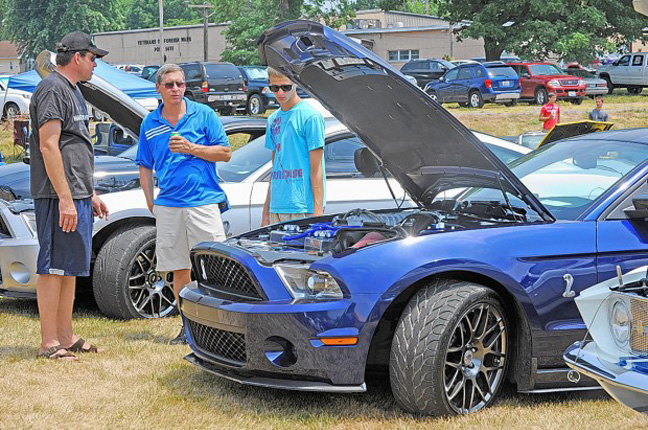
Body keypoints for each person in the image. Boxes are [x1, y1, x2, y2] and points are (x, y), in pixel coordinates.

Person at [136, 64, 231, 345]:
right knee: (179, 269)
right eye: (170, 85)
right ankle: (187, 327)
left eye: (180, 83)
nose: (176, 88)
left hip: (203, 202)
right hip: (169, 205)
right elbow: (144, 165)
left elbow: (225, 152)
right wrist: (151, 202)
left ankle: (218, 328)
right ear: (159, 89)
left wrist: (192, 148)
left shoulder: (204, 115)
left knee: (213, 266)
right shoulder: (150, 124)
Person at [30, 31, 109, 360]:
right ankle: (50, 343)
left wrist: (87, 193)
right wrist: (64, 198)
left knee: (70, 266)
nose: (95, 64)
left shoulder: (74, 90)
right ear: (77, 57)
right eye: (93, 58)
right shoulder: (52, 88)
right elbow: (49, 146)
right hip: (55, 194)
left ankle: (66, 335)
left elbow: (73, 146)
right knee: (52, 268)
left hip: (75, 192)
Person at [261, 67, 326, 227]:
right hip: (277, 205)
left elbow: (316, 169)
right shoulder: (272, 119)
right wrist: (265, 211)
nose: (280, 93)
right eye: (275, 88)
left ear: (295, 83)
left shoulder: (310, 116)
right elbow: (274, 167)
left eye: (286, 87)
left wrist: (318, 214)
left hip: (303, 205)